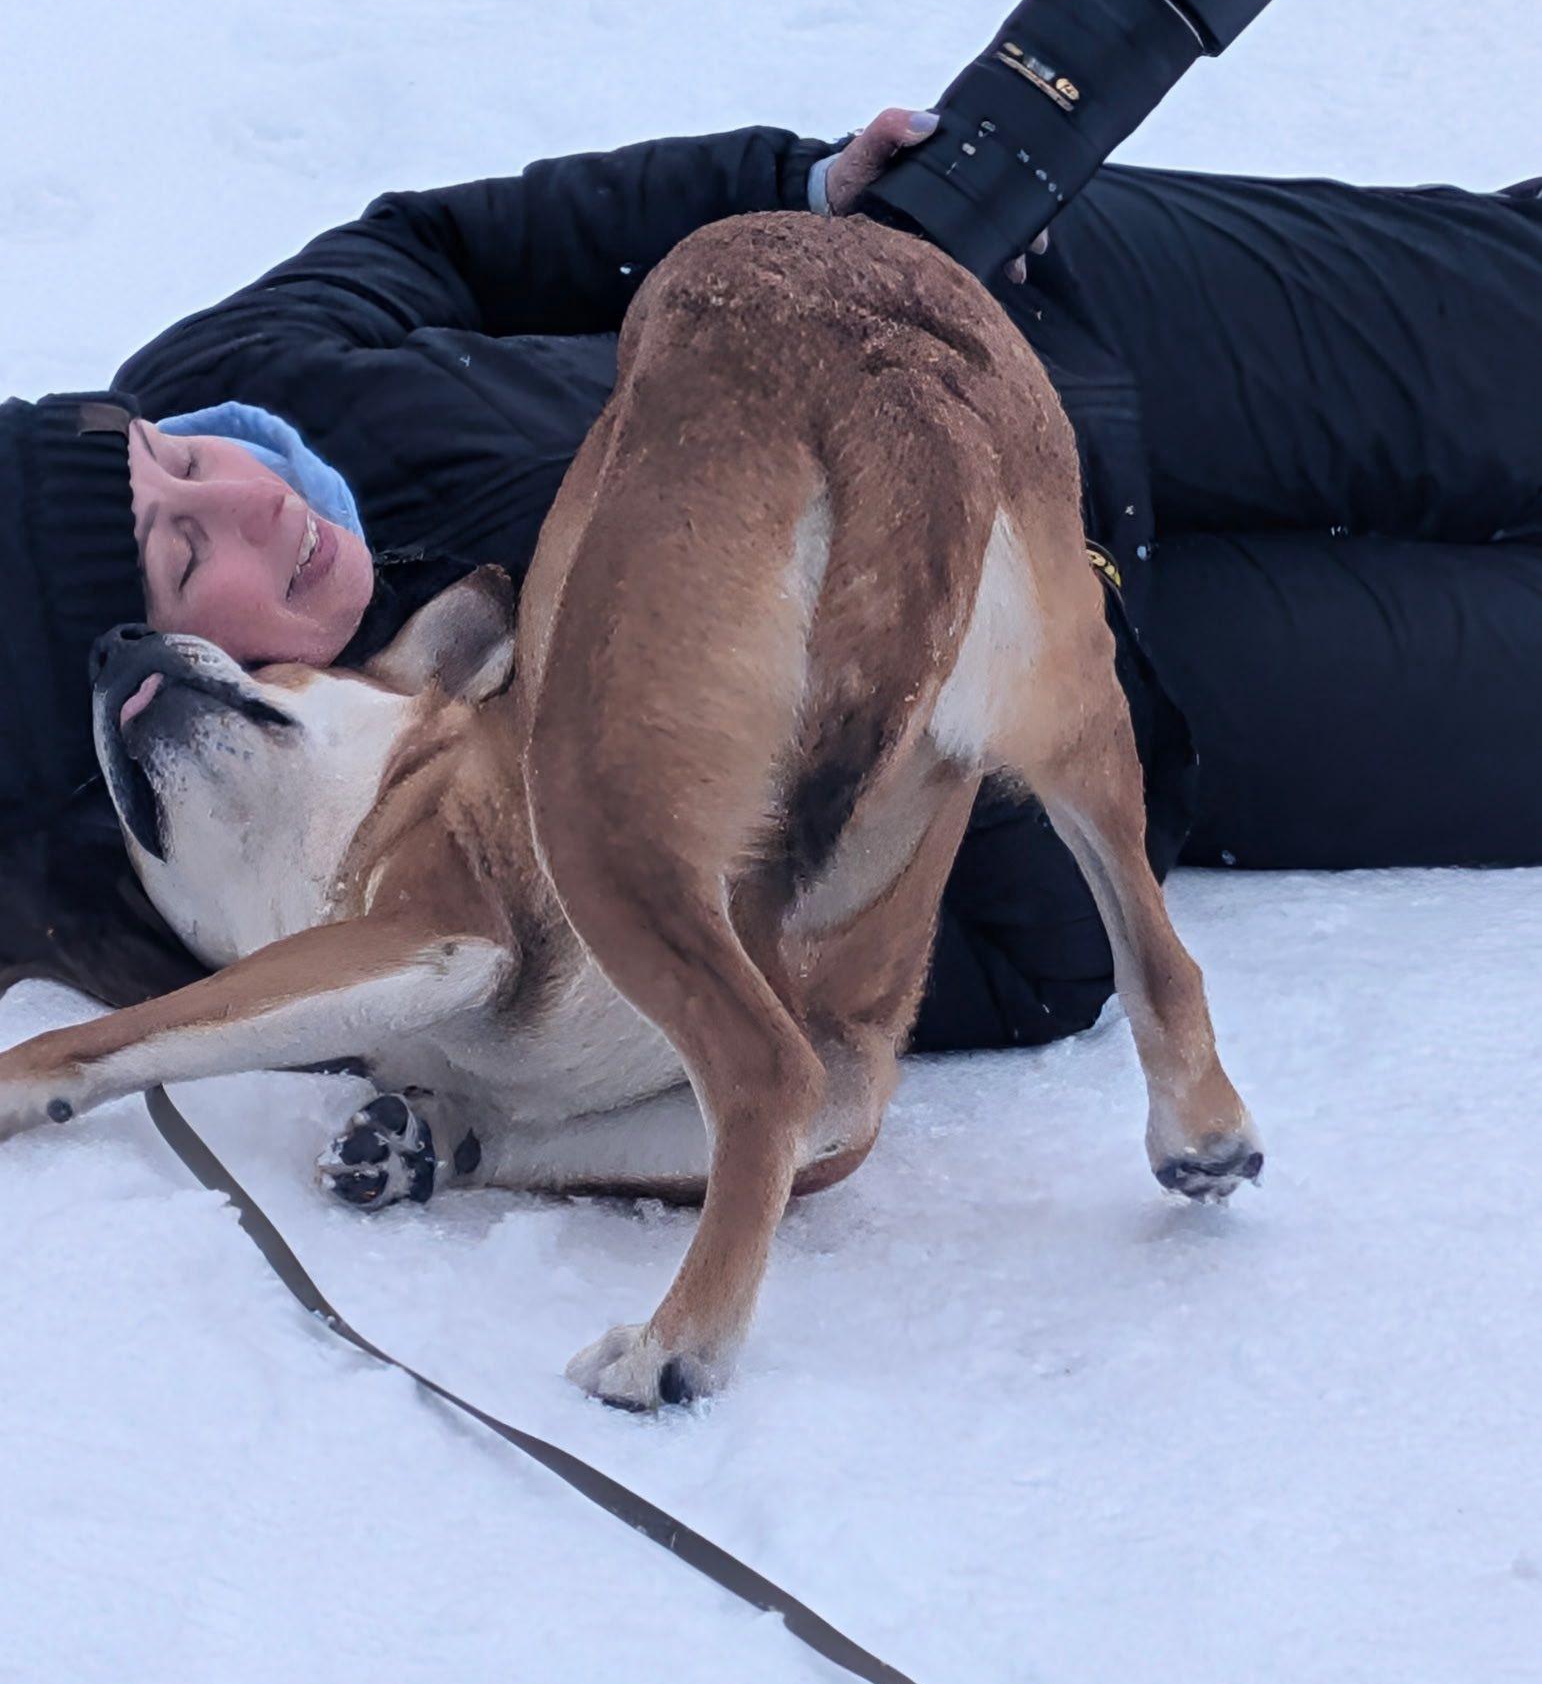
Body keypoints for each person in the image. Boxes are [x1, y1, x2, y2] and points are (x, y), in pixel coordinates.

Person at [2, 111, 1539, 1045]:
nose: (249, 500)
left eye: (174, 459)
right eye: (184, 552)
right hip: (1145, 669)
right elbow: (1009, 961)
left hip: (1037, 311)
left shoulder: (243, 373)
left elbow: (461, 245)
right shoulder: (418, 879)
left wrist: (807, 199)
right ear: (140, 713)